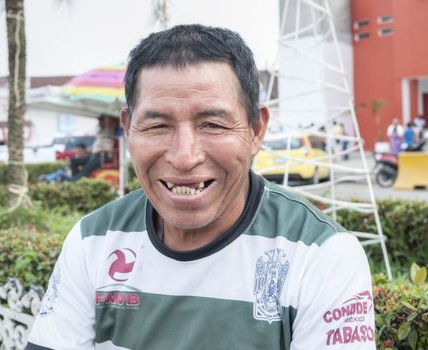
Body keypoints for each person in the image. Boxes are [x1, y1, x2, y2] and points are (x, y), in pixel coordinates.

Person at [26, 24, 375, 350]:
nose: (184, 157)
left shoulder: (321, 254)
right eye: (158, 126)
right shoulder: (92, 241)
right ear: (128, 128)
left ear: (256, 130)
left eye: (212, 124)